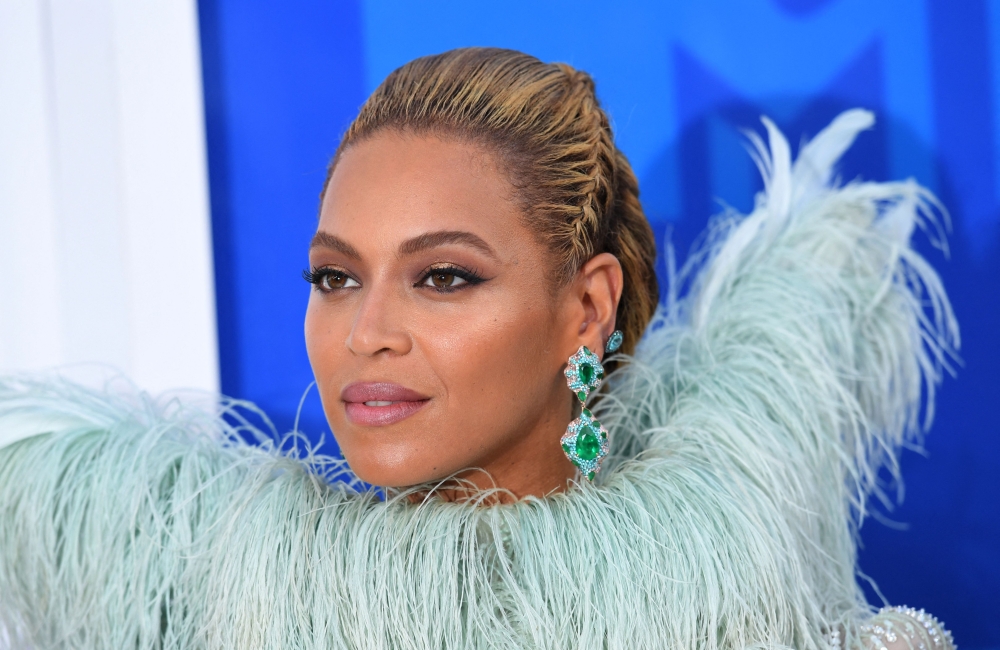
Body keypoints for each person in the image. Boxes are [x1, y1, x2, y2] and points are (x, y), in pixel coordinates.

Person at [0, 48, 957, 649]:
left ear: (585, 310)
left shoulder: (741, 592)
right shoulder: (219, 593)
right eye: (335, 277)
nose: (365, 333)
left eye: (444, 276)